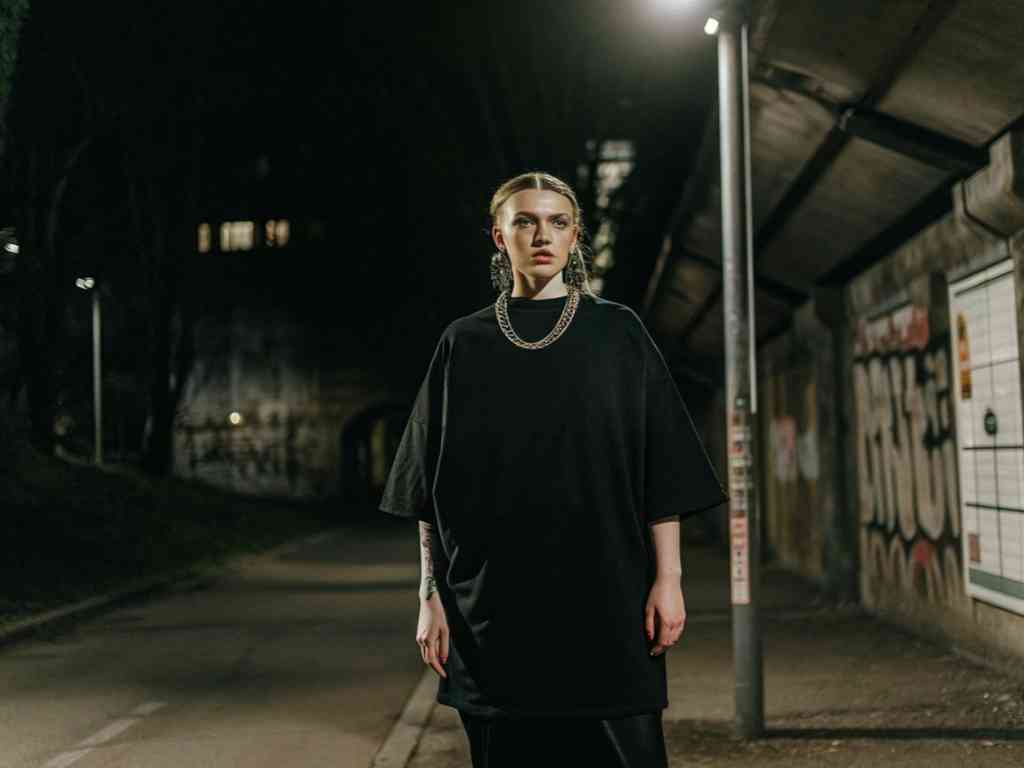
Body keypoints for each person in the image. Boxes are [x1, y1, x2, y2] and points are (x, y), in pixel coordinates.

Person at [379, 171, 729, 768]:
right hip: (492, 610)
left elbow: (659, 468)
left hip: (608, 603)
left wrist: (668, 579)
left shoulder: (618, 333)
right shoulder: (463, 344)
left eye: (558, 222)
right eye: (525, 221)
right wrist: (428, 593)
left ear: (574, 238)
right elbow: (429, 487)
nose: (542, 234)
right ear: (499, 236)